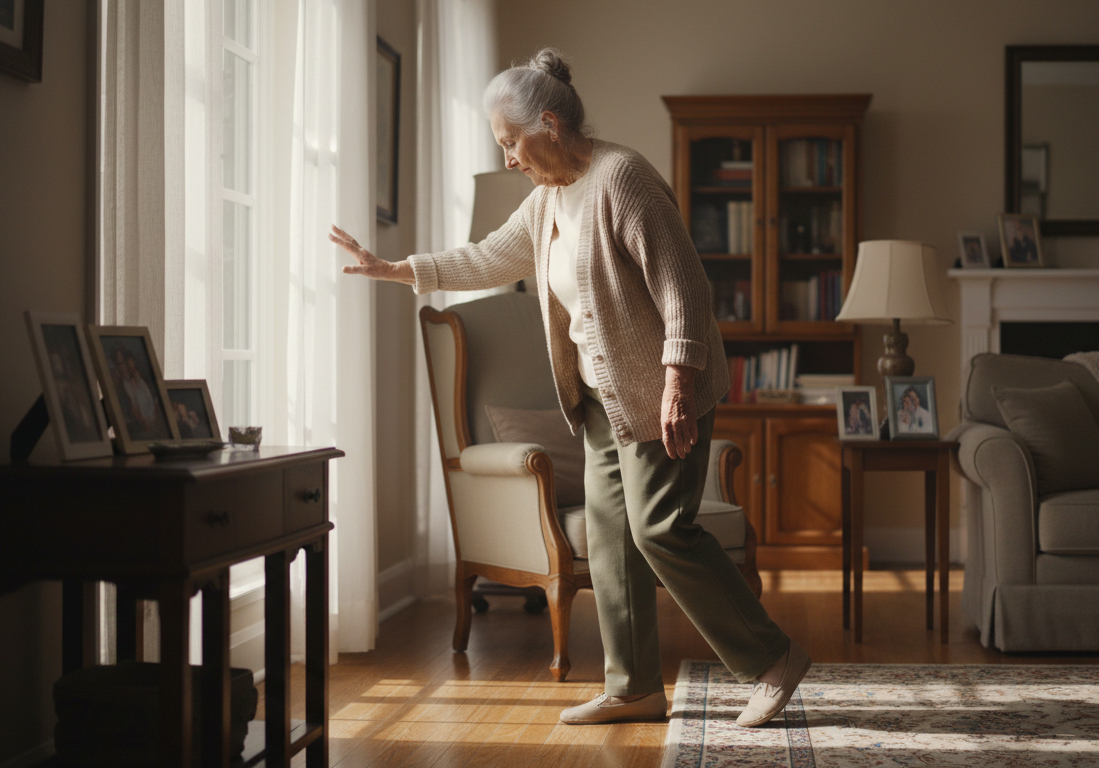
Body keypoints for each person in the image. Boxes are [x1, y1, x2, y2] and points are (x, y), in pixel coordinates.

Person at [330, 49, 808, 728]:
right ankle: (634, 687)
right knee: (611, 540)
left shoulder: (624, 178)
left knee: (660, 530)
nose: (508, 160)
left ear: (548, 124)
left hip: (660, 394)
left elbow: (685, 288)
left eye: (510, 142)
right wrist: (397, 268)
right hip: (597, 404)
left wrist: (677, 382)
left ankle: (772, 658)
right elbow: (490, 255)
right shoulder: (548, 197)